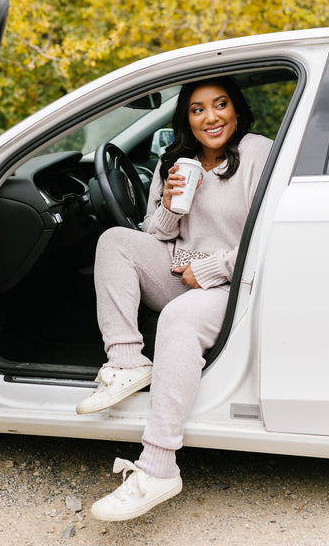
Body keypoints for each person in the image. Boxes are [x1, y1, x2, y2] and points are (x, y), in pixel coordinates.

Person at [76, 77, 273, 522]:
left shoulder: (260, 153)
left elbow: (267, 240)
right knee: (114, 241)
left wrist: (208, 269)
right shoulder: (177, 161)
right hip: (180, 267)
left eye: (220, 105)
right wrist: (169, 203)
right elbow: (156, 234)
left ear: (236, 111)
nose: (211, 117)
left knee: (180, 316)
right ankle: (127, 361)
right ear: (186, 117)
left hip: (234, 282)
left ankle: (158, 466)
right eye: (198, 109)